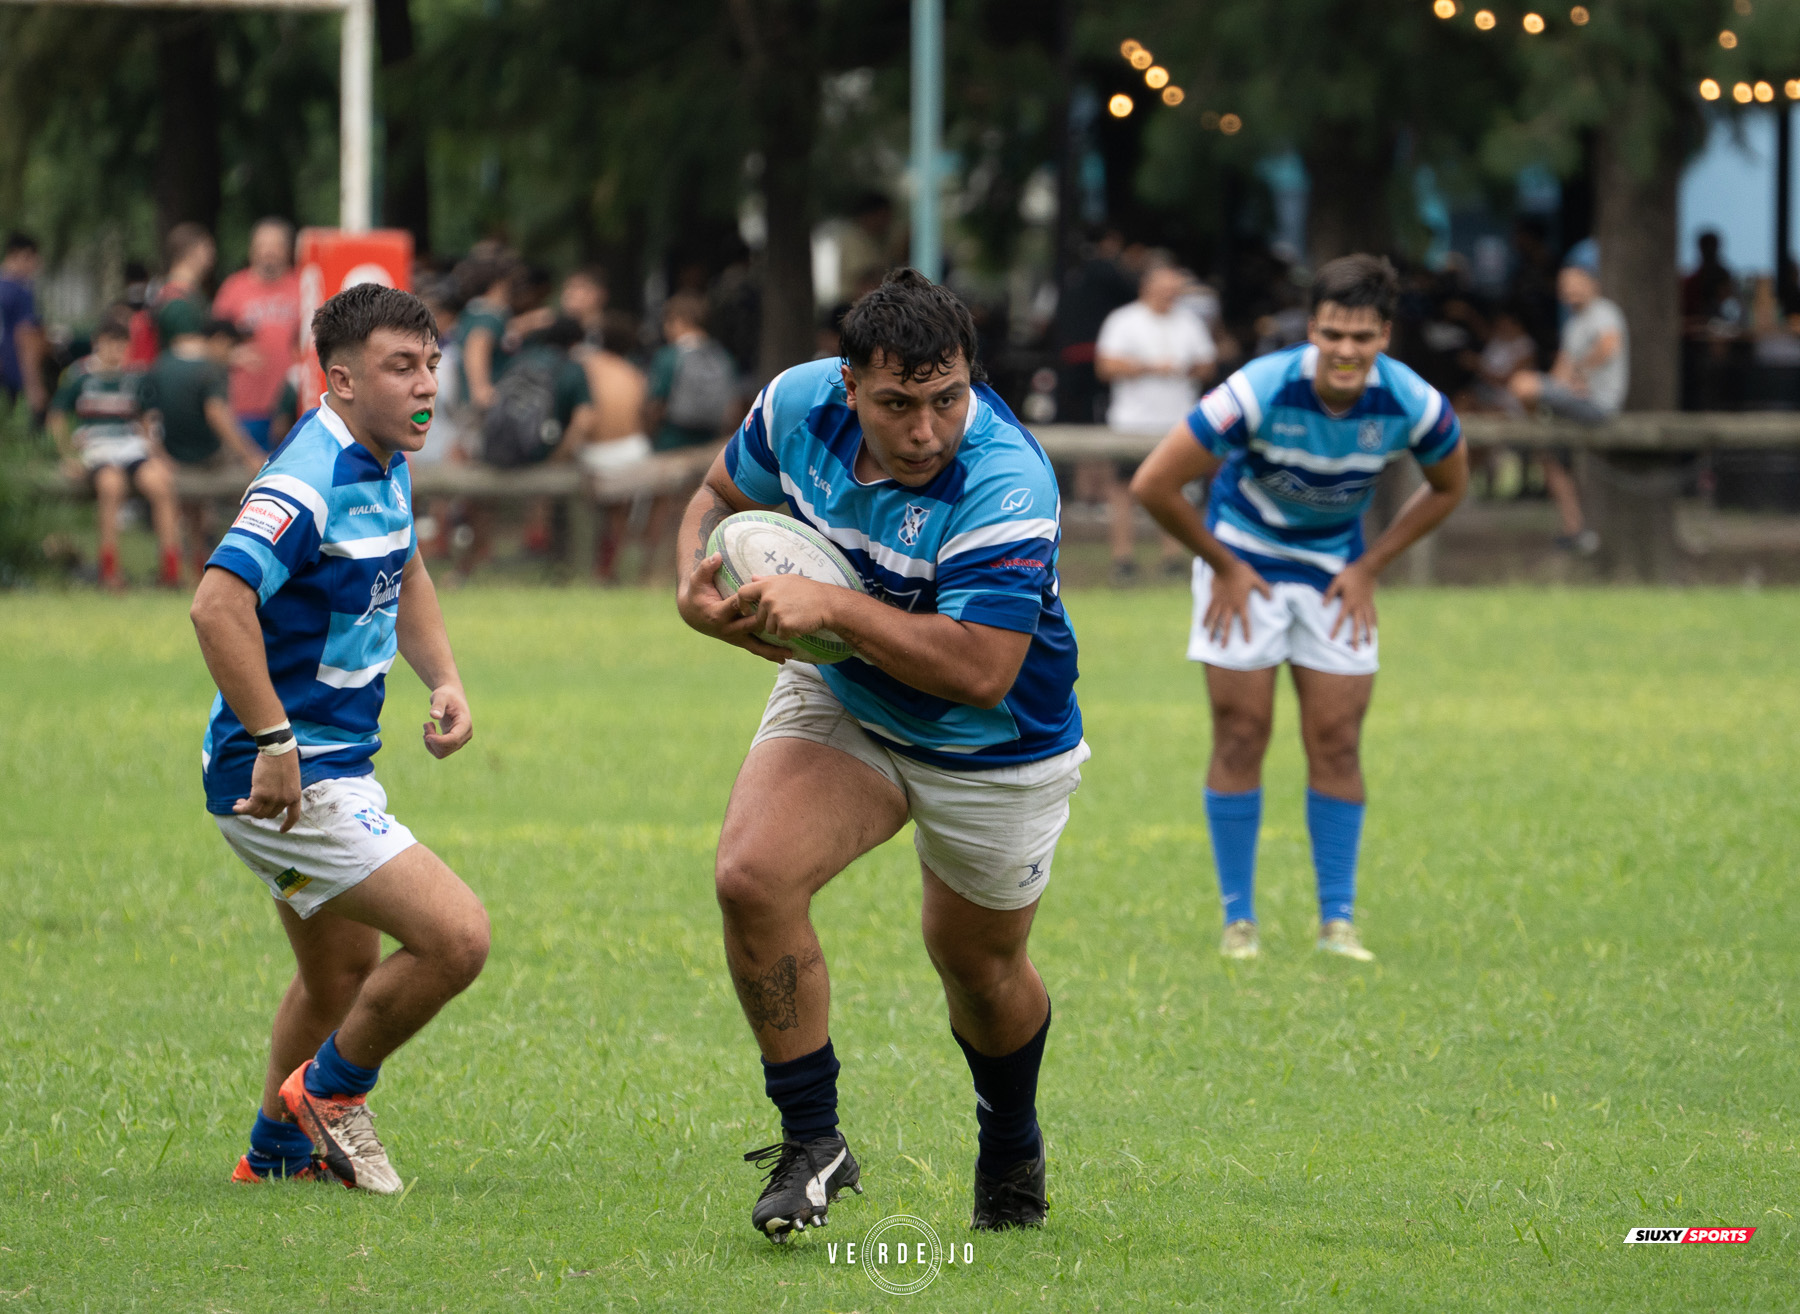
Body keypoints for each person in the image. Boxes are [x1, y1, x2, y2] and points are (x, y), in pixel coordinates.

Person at [675, 269, 1085, 1239]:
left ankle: (1011, 1134)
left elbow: (981, 670)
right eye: (898, 404)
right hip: (847, 693)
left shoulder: (1006, 480)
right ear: (849, 385)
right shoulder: (796, 406)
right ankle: (813, 1140)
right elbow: (717, 494)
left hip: (992, 741)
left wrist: (838, 608)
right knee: (752, 876)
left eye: (947, 400)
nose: (926, 429)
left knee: (978, 970)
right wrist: (694, 582)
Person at [189, 283, 489, 1192]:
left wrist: (443, 676)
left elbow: (406, 563)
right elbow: (216, 604)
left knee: (339, 976)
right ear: (343, 379)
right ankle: (332, 1095)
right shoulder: (306, 478)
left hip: (326, 762)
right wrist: (276, 740)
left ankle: (273, 1156)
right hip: (286, 772)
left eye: (432, 364)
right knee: (457, 937)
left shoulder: (382, 457)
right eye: (403, 367)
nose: (426, 384)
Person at [1130, 254, 1468, 964]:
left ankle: (1337, 923)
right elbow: (1154, 483)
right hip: (1242, 560)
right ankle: (1239, 922)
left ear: (1385, 338)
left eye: (1363, 337)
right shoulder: (1258, 389)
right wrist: (1223, 565)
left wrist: (1371, 566)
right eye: (1333, 334)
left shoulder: (1413, 402)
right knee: (1241, 733)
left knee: (1338, 740)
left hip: (1334, 573)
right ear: (1312, 329)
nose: (1346, 351)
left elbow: (1448, 485)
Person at [1092, 263, 1218, 583]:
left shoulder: (1189, 322)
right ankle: (1123, 558)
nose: (1170, 297)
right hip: (1130, 422)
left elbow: (1207, 364)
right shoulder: (1123, 320)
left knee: (1176, 488)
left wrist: (1185, 369)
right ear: (1147, 288)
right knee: (1123, 490)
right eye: (1165, 290)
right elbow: (1105, 365)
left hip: (1177, 422)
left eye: (1175, 291)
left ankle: (1172, 556)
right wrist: (1148, 368)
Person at [1509, 240, 1627, 555]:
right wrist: (1563, 382)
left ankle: (1536, 422)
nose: (1570, 288)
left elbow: (1608, 347)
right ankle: (1574, 530)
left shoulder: (1604, 312)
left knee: (1522, 384)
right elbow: (1560, 372)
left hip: (1598, 404)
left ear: (1593, 283)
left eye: (1576, 282)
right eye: (1565, 284)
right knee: (1549, 456)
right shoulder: (1573, 324)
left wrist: (1579, 375)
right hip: (1573, 403)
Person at [47, 318, 181, 589]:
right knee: (112, 486)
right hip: (98, 447)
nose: (117, 352)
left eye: (122, 346)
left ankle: (170, 569)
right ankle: (109, 570)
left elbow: (145, 421)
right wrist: (67, 455)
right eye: (111, 345)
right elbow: (57, 416)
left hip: (130, 446)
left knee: (161, 485)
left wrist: (159, 455)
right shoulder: (80, 376)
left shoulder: (134, 377)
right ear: (98, 343)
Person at [142, 317, 266, 578]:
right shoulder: (211, 370)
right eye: (231, 348)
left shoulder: (164, 362)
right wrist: (250, 455)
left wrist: (158, 454)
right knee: (259, 480)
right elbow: (217, 414)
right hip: (206, 460)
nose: (232, 355)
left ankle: (183, 566)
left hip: (173, 456)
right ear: (219, 341)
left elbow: (148, 416)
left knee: (195, 505)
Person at [213, 217, 302, 453]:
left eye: (276, 246)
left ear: (288, 250)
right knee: (247, 480)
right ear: (253, 249)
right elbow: (211, 347)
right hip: (245, 406)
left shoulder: (303, 286)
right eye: (263, 246)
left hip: (294, 407)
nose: (269, 252)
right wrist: (233, 355)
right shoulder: (234, 288)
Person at [646, 292, 736, 452]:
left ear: (679, 320)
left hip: (672, 442)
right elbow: (733, 408)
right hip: (711, 443)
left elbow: (656, 406)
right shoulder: (723, 357)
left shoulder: (669, 356)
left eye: (667, 322)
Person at [0, 232, 48, 419]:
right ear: (22, 254)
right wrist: (34, 386)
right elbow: (26, 337)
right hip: (14, 378)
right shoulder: (21, 292)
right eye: (34, 260)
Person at [152, 223, 218, 350]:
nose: (212, 254)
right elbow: (187, 349)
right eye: (207, 247)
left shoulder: (187, 292)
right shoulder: (178, 301)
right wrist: (228, 354)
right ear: (191, 251)